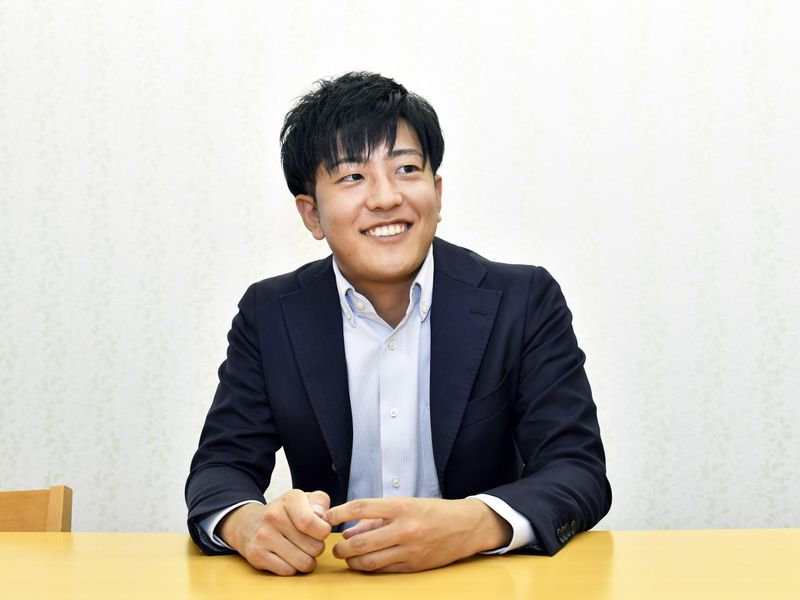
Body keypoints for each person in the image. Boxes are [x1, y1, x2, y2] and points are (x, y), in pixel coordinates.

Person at [185, 72, 611, 575]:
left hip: (483, 578)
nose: (386, 198)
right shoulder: (270, 312)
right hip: (335, 582)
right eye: (352, 176)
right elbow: (222, 466)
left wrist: (474, 524)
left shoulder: (523, 299)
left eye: (406, 169)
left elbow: (577, 470)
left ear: (437, 192)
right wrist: (248, 523)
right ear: (311, 214)